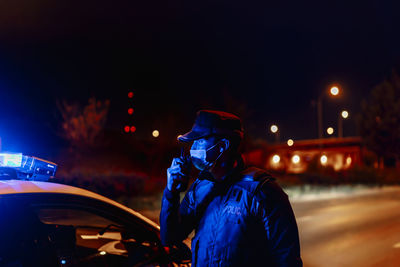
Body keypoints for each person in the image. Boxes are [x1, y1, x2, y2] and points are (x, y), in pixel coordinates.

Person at [160, 110, 302, 267]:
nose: (193, 147)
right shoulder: (201, 188)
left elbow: (287, 259)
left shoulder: (261, 190)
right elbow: (170, 238)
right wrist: (171, 193)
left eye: (200, 141)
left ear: (222, 146)